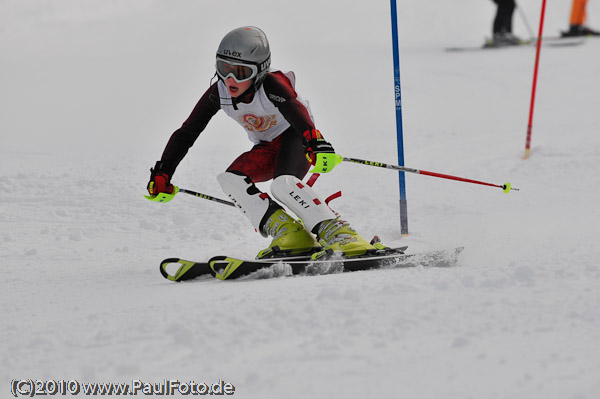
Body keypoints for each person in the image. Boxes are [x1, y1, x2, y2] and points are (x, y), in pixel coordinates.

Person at [146, 26, 377, 259]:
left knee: (283, 185)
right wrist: (163, 172)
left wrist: (313, 141)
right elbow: (187, 132)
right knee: (230, 180)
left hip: (295, 138)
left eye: (241, 72)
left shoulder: (272, 84)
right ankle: (291, 234)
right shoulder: (219, 92)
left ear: (260, 71)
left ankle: (340, 233)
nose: (230, 79)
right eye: (224, 69)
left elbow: (293, 106)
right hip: (266, 147)